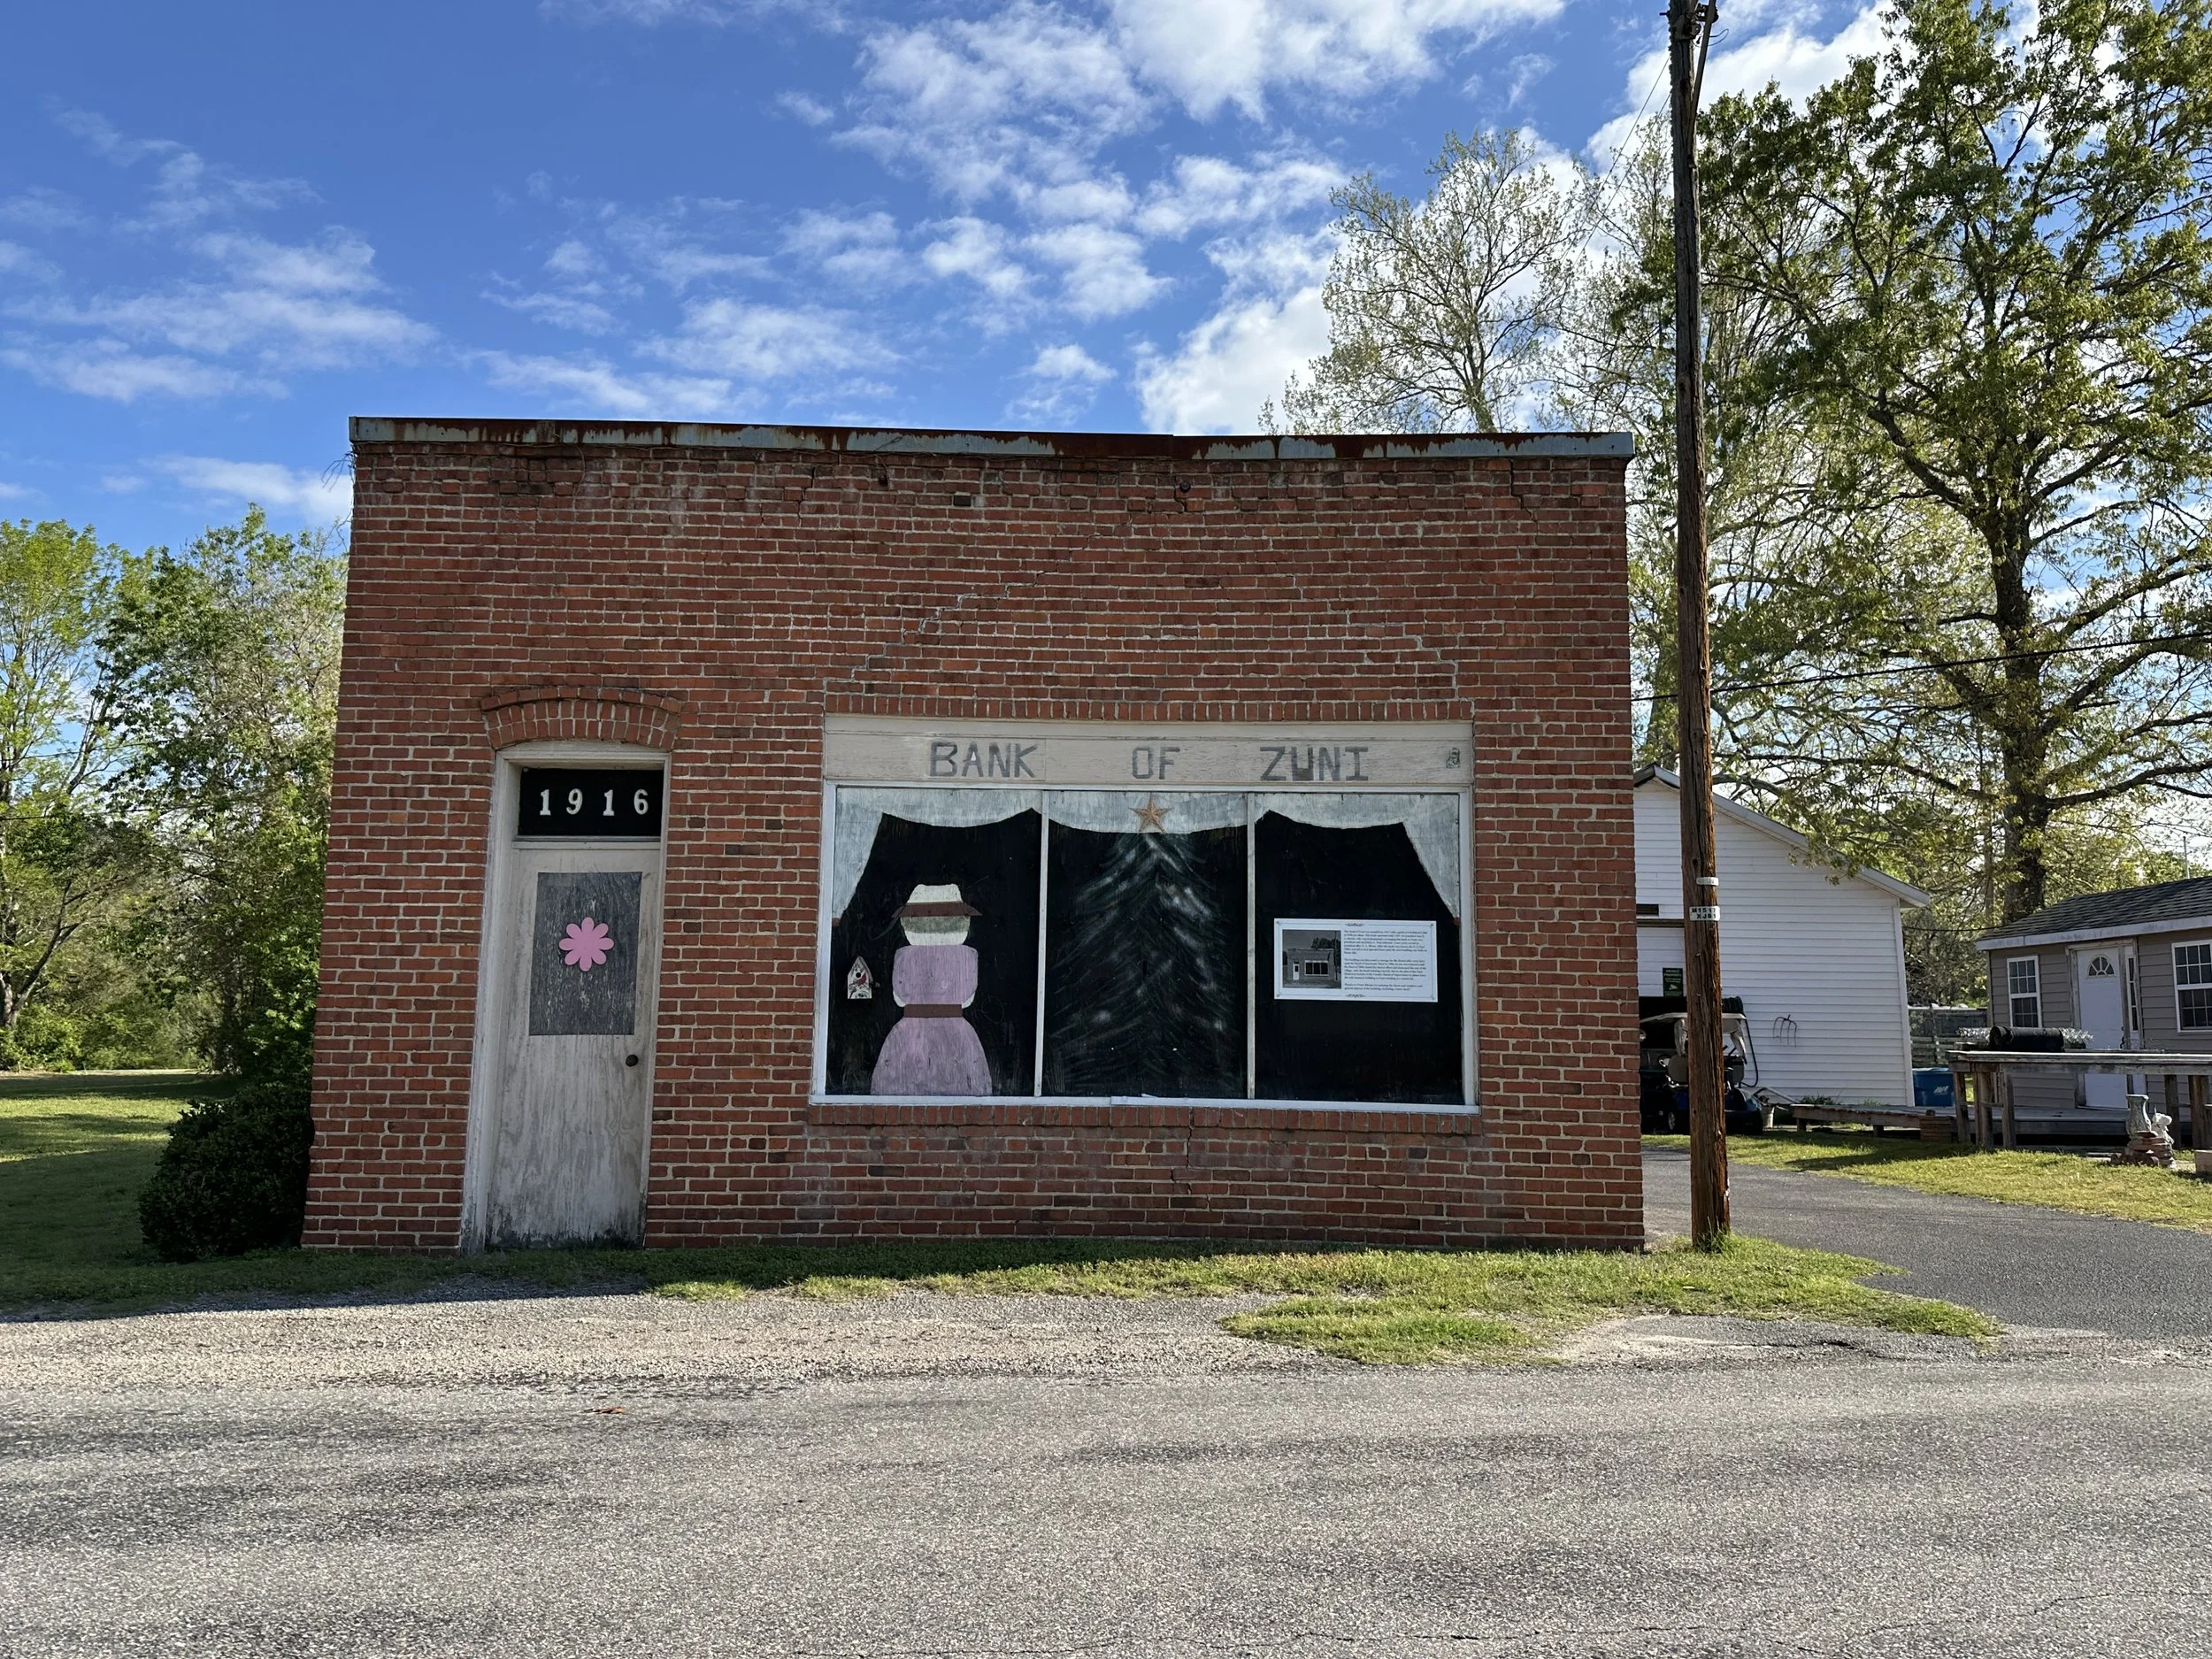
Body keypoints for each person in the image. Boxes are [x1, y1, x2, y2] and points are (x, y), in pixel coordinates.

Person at [870, 883, 993, 1095]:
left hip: (909, 1034)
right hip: (957, 1034)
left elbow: (899, 998)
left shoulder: (903, 956)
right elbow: (968, 999)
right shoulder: (968, 957)